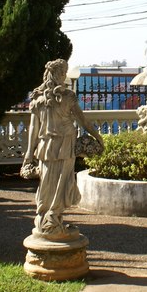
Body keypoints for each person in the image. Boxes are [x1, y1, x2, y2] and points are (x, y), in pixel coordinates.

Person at [23, 59, 103, 239]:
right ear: (57, 74)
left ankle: (49, 218)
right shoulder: (68, 97)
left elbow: (33, 129)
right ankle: (52, 218)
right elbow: (84, 121)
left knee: (48, 182)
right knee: (61, 182)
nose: (65, 76)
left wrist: (29, 152)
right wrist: (98, 137)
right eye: (63, 72)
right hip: (64, 144)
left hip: (47, 146)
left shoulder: (38, 98)